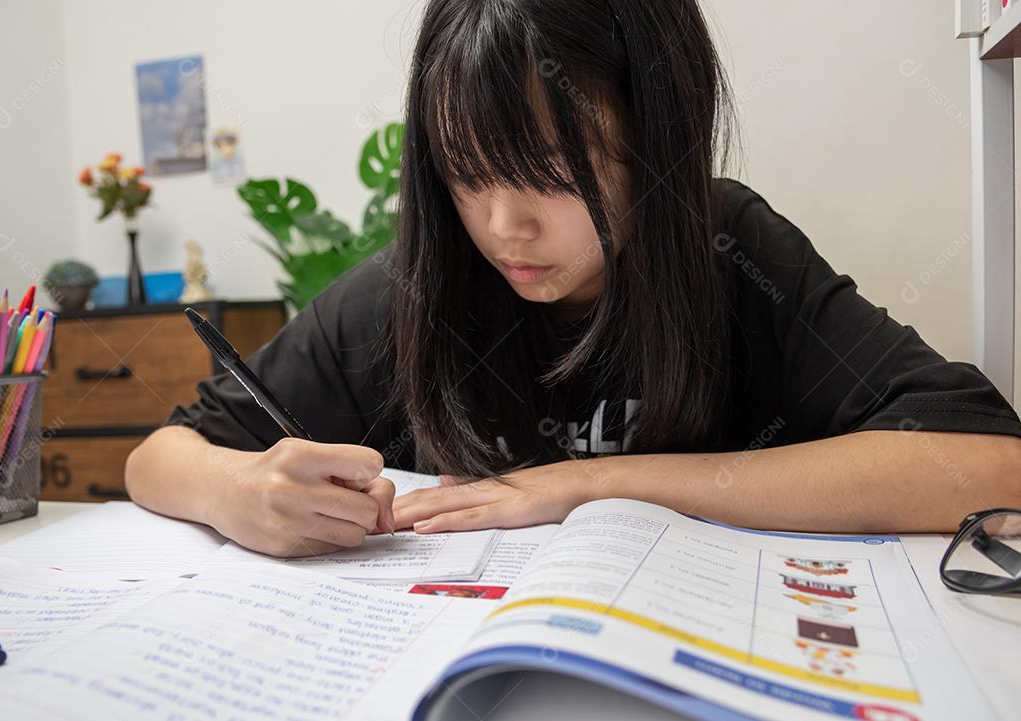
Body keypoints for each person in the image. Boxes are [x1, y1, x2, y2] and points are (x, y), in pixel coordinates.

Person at [125, 0, 1021, 557]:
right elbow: (159, 457)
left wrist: (590, 483)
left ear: (657, 138)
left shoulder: (730, 250)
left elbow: (989, 464)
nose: (502, 226)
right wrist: (238, 492)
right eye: (468, 172)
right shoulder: (418, 284)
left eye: (554, 176)